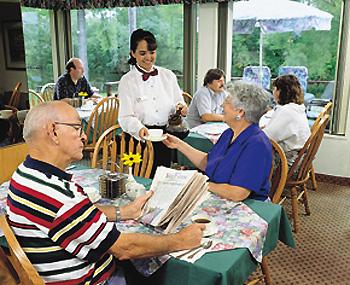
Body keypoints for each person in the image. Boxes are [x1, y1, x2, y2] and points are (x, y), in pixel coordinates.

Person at [7, 101, 204, 285]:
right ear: (53, 132)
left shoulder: (25, 174)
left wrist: (124, 212)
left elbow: (81, 214)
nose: (84, 136)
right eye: (77, 128)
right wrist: (180, 240)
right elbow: (125, 248)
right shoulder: (58, 196)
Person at [164, 81, 272, 202]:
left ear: (240, 112)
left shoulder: (257, 144)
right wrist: (179, 144)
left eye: (227, 102)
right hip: (221, 198)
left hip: (248, 206)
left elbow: (237, 193)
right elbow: (209, 163)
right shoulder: (229, 133)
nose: (221, 105)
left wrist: (196, 183)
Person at [118, 29, 188, 175]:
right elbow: (125, 117)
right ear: (133, 53)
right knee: (141, 181)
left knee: (162, 180)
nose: (148, 57)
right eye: (143, 53)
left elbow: (178, 102)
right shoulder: (127, 81)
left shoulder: (168, 76)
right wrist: (139, 129)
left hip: (164, 137)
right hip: (140, 141)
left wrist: (181, 108)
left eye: (152, 52)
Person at [263, 74, 311, 166]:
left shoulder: (286, 111)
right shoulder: (298, 108)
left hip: (287, 163)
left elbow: (266, 138)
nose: (273, 92)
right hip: (299, 160)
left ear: (280, 91)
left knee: (248, 152)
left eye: (275, 89)